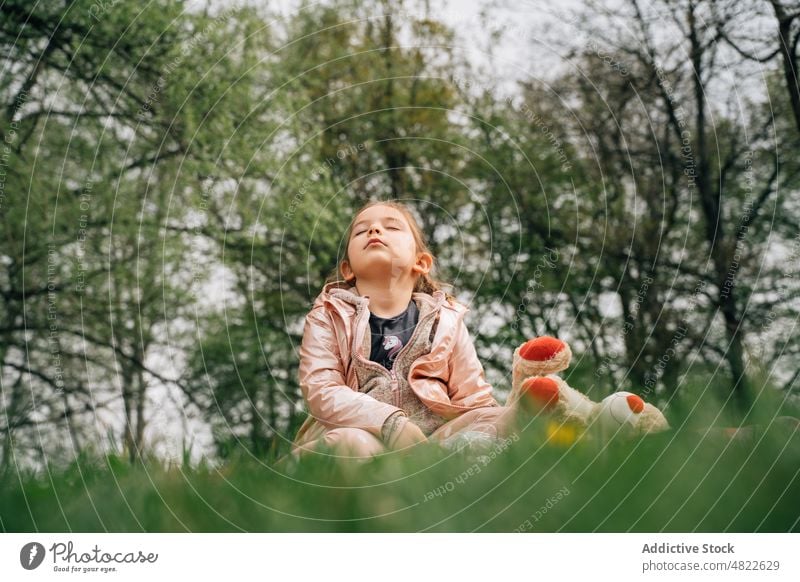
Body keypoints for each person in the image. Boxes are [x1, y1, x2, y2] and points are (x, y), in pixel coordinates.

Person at [287, 200, 517, 461]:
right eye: (362, 230)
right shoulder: (328, 315)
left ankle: (445, 467)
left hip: (431, 442)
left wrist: (489, 427)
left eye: (391, 227)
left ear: (421, 262)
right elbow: (322, 390)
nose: (374, 231)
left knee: (511, 418)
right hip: (363, 438)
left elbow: (473, 399)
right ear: (348, 269)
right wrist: (390, 423)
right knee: (351, 444)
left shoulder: (446, 322)